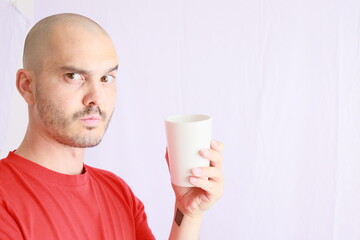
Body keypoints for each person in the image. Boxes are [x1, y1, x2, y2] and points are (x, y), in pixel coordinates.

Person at [0, 13, 224, 240]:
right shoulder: (4, 198)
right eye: (74, 76)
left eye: (106, 78)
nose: (96, 98)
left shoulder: (118, 193)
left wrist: (188, 212)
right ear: (27, 86)